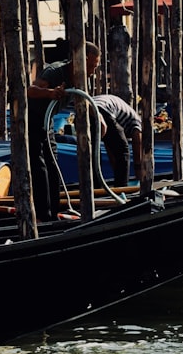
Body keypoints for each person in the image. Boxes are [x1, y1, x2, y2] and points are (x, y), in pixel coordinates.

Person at [27, 41, 100, 221]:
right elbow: (31, 91)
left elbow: (84, 100)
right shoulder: (55, 71)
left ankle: (53, 212)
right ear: (79, 61)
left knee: (53, 163)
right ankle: (43, 214)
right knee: (39, 165)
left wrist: (101, 121)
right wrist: (51, 92)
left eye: (95, 67)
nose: (93, 72)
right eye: (91, 66)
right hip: (32, 120)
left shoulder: (81, 78)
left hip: (48, 120)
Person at [92, 94, 143, 187]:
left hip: (88, 109)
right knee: (123, 150)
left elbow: (110, 148)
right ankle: (122, 187)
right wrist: (139, 172)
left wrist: (117, 170)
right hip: (102, 109)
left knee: (93, 153)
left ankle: (95, 187)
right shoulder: (137, 122)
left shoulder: (121, 121)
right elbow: (137, 144)